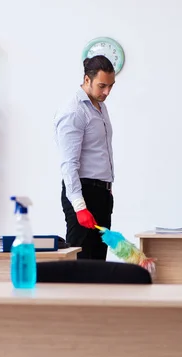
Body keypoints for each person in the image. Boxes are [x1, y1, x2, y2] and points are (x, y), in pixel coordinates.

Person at [54, 55, 116, 260]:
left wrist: (107, 190)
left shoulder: (100, 106)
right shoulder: (74, 111)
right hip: (83, 195)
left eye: (111, 86)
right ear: (87, 80)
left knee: (98, 264)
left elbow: (100, 152)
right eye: (102, 86)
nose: (107, 92)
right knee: (80, 265)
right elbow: (69, 164)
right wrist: (80, 207)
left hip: (102, 195)